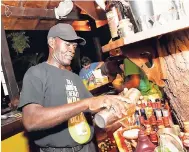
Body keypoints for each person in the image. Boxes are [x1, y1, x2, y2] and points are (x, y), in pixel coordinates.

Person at [18, 23, 129, 152]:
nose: (72, 49)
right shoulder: (37, 73)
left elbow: (91, 107)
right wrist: (88, 103)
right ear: (52, 42)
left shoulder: (74, 77)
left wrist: (114, 101)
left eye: (74, 46)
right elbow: (31, 120)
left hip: (88, 147)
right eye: (67, 44)